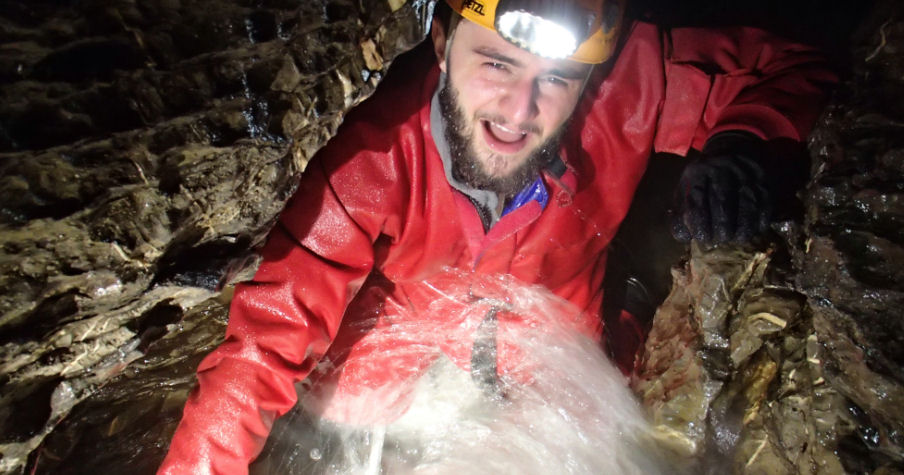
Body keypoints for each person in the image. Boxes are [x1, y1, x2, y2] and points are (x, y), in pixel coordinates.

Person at [159, 0, 835, 472]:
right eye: (498, 64)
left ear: (587, 77)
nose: (520, 110)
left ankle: (632, 298)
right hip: (412, 319)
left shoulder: (626, 87)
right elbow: (261, 350)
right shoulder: (373, 159)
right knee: (348, 403)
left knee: (590, 424)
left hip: (553, 316)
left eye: (557, 79)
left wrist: (747, 141)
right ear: (441, 42)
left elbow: (796, 66)